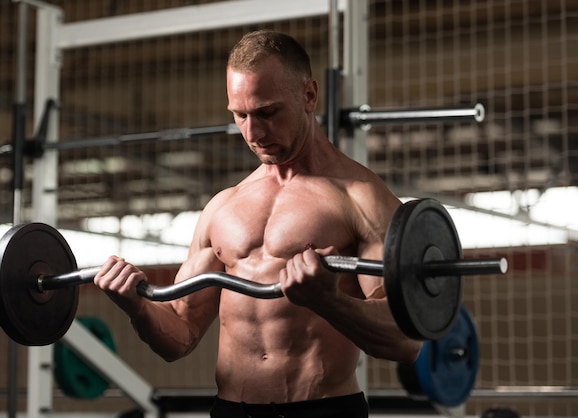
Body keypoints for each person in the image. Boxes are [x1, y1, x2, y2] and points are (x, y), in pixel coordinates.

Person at [94, 30, 422, 418]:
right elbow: (179, 337)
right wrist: (137, 307)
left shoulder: (360, 198)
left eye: (267, 112)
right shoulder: (223, 207)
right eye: (240, 115)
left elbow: (405, 341)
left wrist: (328, 301)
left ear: (309, 96)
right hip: (232, 411)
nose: (252, 133)